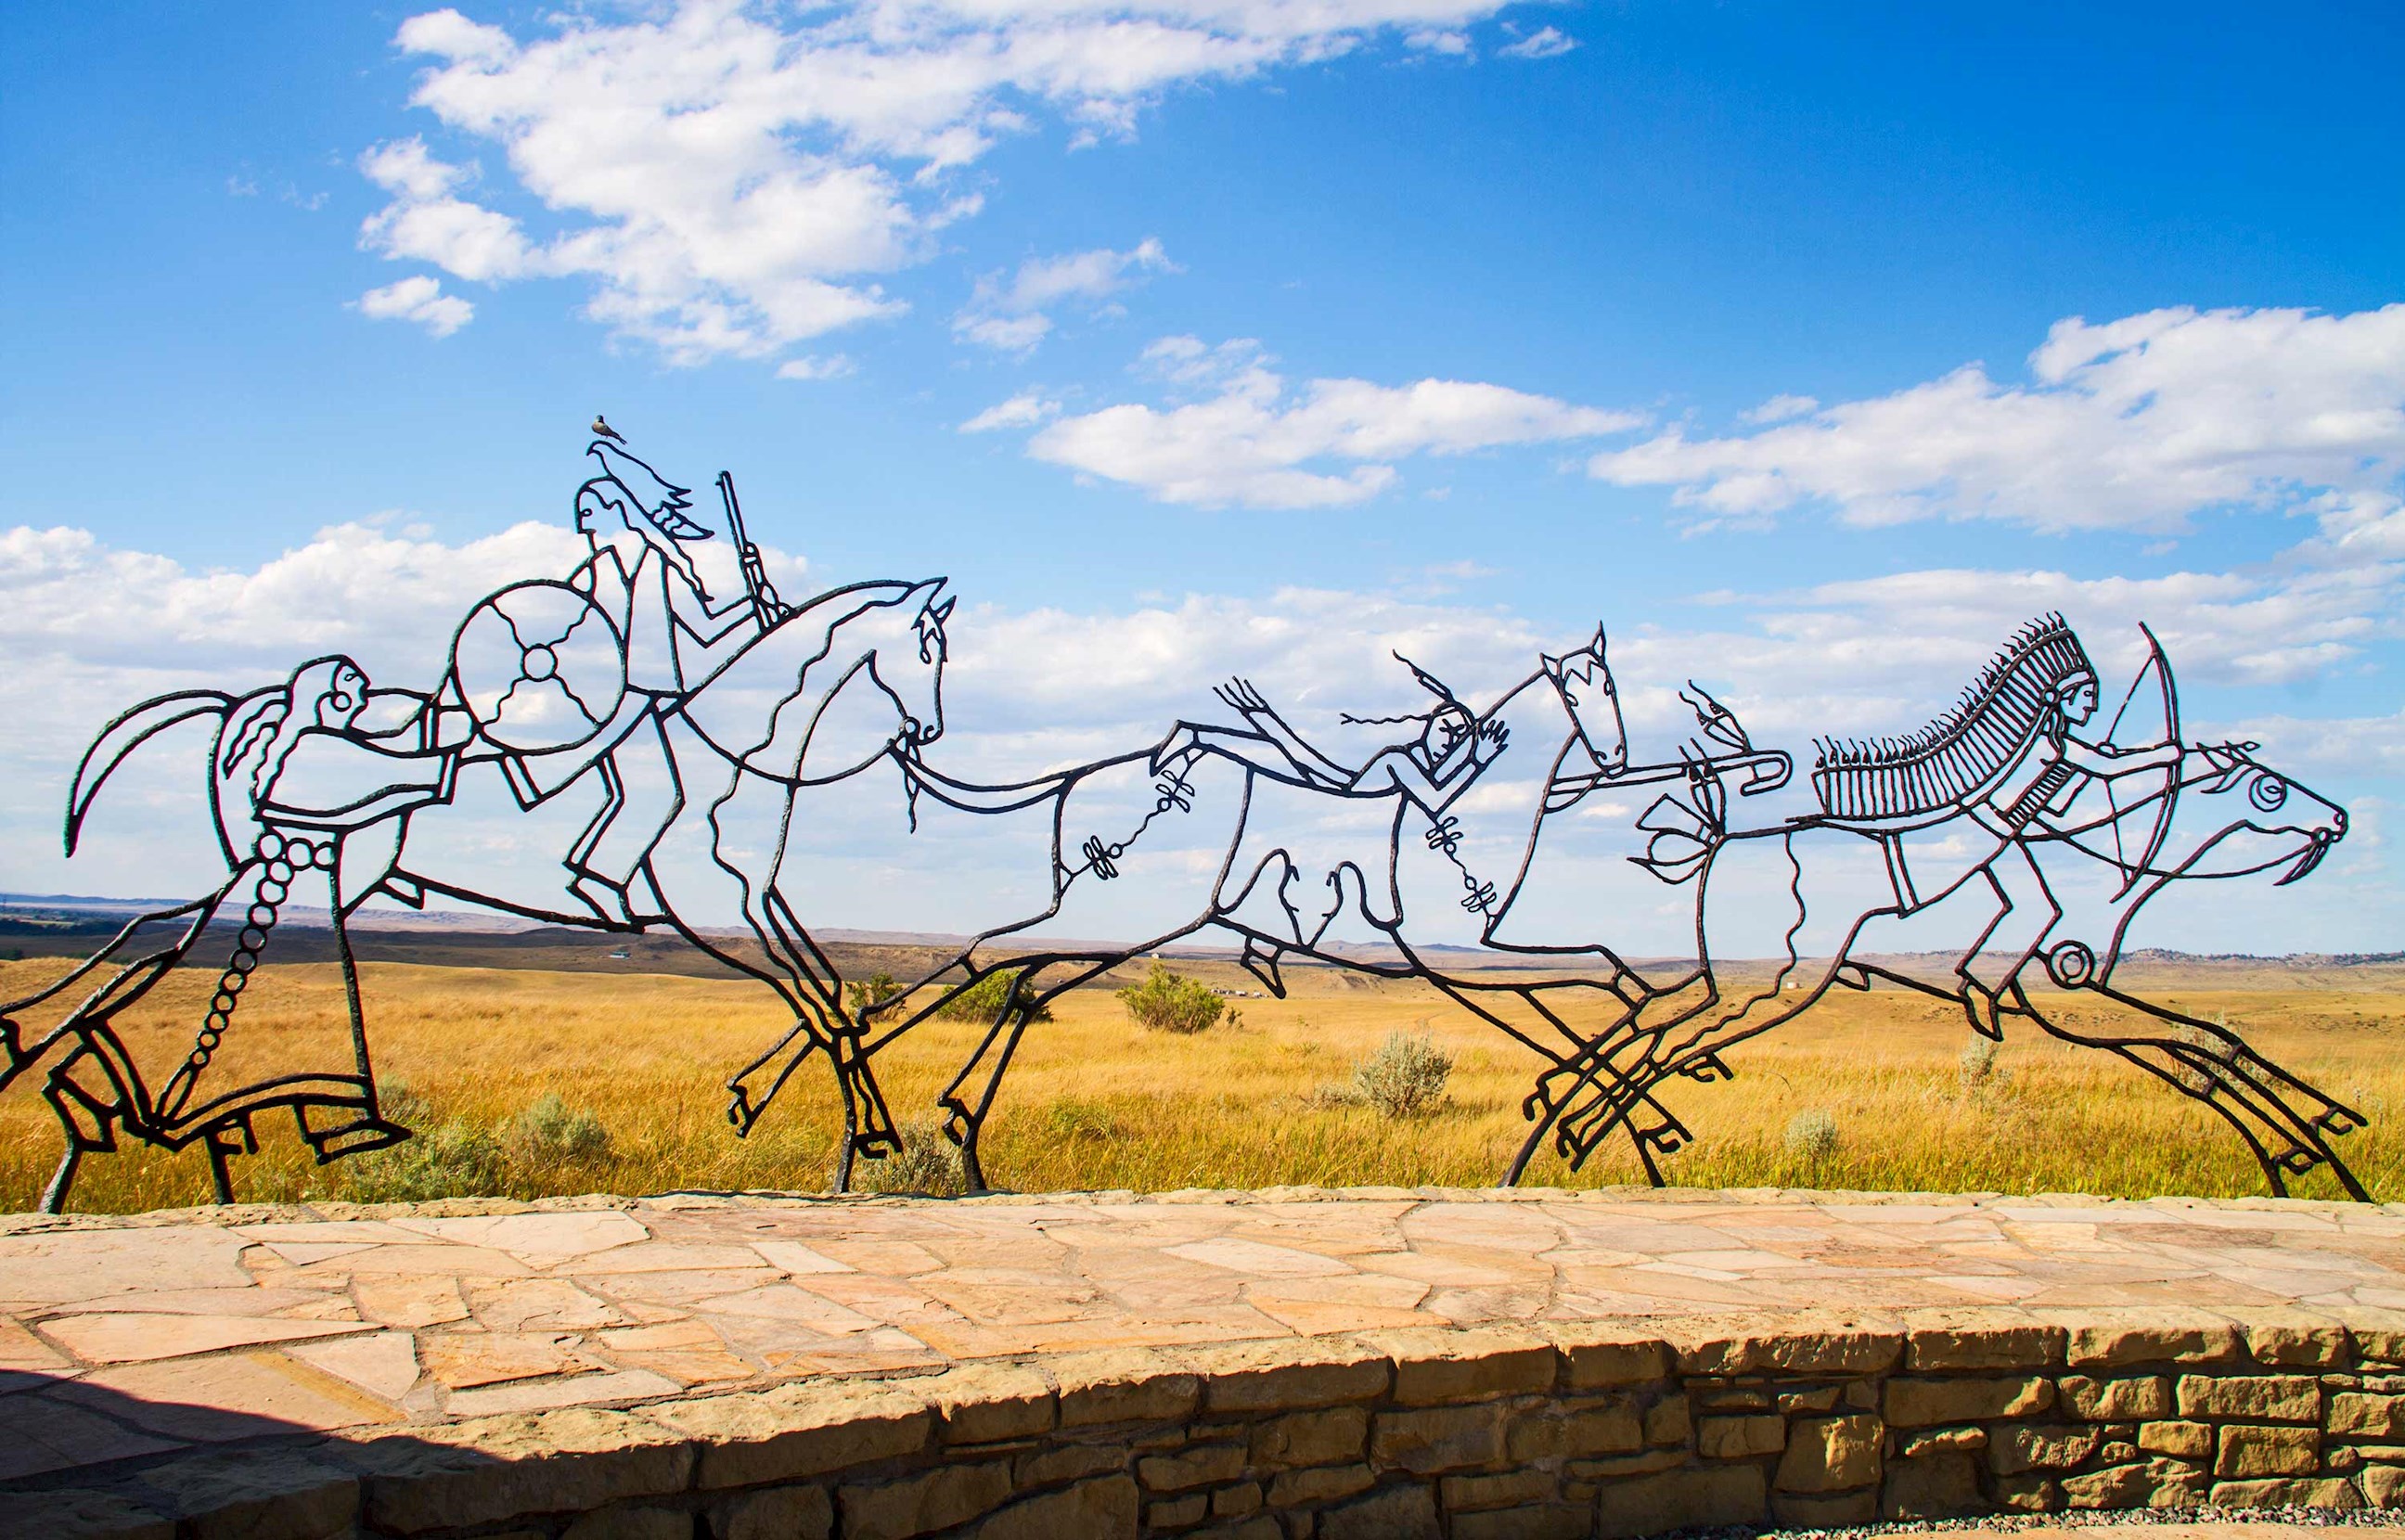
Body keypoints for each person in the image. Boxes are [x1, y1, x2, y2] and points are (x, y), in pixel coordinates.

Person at [1151, 655, 1509, 819]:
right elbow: (1435, 800)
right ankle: (1198, 735)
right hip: (1334, 787)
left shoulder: (1414, 765)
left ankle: (1200, 736)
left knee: (1278, 752)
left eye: (1459, 740)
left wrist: (1473, 757)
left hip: (1335, 784)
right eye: (1446, 731)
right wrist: (1478, 760)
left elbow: (1434, 788)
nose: (1450, 742)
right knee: (1285, 754)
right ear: (1429, 729)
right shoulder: (1402, 759)